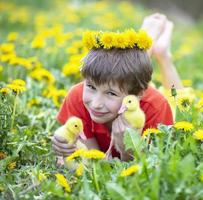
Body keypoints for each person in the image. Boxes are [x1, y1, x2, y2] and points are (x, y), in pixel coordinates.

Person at [52, 13, 183, 161]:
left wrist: (127, 149)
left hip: (147, 101)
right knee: (124, 76)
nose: (95, 104)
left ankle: (162, 53)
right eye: (91, 86)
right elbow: (97, 164)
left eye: (111, 94)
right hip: (126, 88)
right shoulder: (77, 97)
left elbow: (147, 170)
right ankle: (147, 40)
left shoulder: (155, 107)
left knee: (181, 104)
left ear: (139, 95)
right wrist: (67, 151)